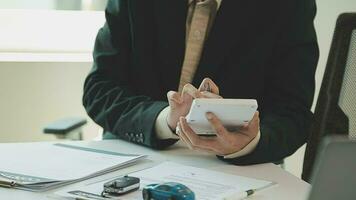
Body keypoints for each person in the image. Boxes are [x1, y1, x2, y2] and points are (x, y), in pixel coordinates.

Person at [83, 0, 319, 165]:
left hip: (236, 171)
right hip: (136, 155)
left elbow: (293, 112)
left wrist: (249, 143)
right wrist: (165, 118)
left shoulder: (289, 5)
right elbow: (100, 89)